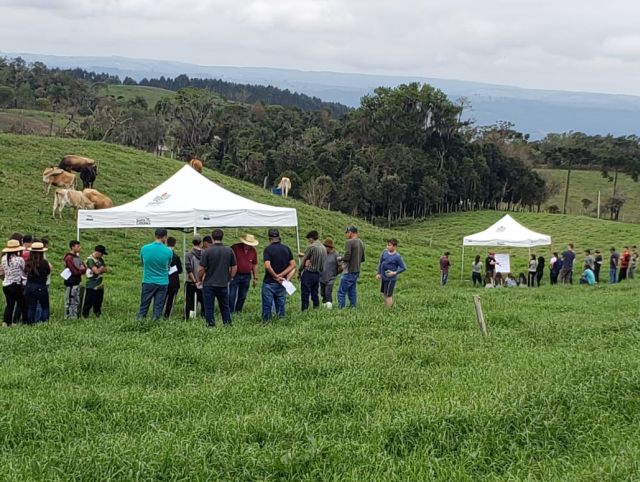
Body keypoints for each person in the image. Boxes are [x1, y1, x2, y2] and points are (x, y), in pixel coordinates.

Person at [198, 229, 236, 327]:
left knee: (209, 307)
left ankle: (211, 326)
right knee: (225, 306)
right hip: (223, 283)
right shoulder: (229, 250)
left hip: (209, 284)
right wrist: (230, 277)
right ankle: (227, 324)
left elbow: (201, 269)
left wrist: (199, 279)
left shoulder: (207, 251)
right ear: (222, 237)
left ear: (212, 237)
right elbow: (234, 267)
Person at [138, 229, 173, 321]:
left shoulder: (144, 248)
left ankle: (140, 322)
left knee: (144, 305)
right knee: (158, 306)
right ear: (165, 237)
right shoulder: (168, 251)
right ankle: (155, 324)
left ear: (155, 235)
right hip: (162, 282)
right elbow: (168, 265)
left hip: (148, 280)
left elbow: (142, 262)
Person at [262, 228, 296, 322]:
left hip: (269, 282)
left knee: (267, 305)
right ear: (278, 237)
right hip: (282, 282)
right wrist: (282, 275)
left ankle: (266, 322)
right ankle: (281, 322)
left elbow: (267, 266)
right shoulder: (286, 248)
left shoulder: (268, 249)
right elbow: (293, 265)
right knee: (281, 305)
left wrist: (276, 276)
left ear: (269, 238)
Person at [229, 234, 259, 314]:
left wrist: (255, 277)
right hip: (235, 275)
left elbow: (255, 264)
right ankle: (230, 311)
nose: (248, 246)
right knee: (231, 294)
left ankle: (238, 311)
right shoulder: (235, 248)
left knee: (243, 295)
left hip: (247, 276)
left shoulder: (253, 251)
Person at [337, 225, 365, 309]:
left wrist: (341, 258)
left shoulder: (349, 242)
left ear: (350, 233)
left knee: (341, 292)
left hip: (348, 270)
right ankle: (353, 306)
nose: (346, 235)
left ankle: (341, 308)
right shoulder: (361, 242)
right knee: (352, 290)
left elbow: (347, 256)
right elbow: (363, 258)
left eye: (347, 233)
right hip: (356, 270)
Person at [299, 230, 327, 311]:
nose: (308, 241)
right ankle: (316, 308)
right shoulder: (323, 248)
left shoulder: (311, 247)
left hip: (308, 273)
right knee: (315, 293)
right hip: (317, 273)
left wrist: (299, 270)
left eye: (309, 239)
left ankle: (304, 309)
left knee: (305, 292)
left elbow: (304, 260)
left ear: (311, 238)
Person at [2, 239, 27, 327]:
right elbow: (24, 270)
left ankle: (6, 322)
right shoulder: (19, 259)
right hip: (15, 284)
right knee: (22, 304)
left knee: (10, 304)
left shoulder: (4, 258)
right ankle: (19, 322)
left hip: (6, 284)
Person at [24, 242, 51, 323]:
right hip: (41, 286)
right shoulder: (44, 262)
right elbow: (48, 271)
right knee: (45, 306)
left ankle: (30, 323)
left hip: (29, 286)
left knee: (31, 307)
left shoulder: (28, 262)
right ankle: (44, 322)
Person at [376, 238, 406, 307]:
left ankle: (388, 309)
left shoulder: (397, 257)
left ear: (395, 247)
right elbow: (380, 263)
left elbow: (403, 267)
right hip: (383, 277)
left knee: (389, 295)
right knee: (384, 293)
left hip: (391, 279)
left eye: (389, 245)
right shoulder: (384, 252)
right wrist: (379, 273)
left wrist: (394, 272)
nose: (387, 246)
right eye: (387, 245)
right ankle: (386, 305)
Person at [82, 245, 108, 318]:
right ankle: (85, 315)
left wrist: (101, 269)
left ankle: (97, 314)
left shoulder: (100, 260)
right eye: (101, 253)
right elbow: (96, 271)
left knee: (98, 301)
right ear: (97, 252)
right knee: (89, 301)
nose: (102, 255)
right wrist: (101, 269)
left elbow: (106, 269)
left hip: (100, 284)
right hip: (91, 284)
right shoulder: (90, 260)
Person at [63, 240, 86, 319]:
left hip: (77, 281)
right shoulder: (69, 258)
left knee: (76, 300)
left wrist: (81, 269)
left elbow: (84, 268)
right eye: (77, 246)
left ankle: (74, 316)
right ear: (72, 247)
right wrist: (80, 269)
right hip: (70, 282)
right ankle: (68, 316)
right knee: (70, 300)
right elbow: (74, 271)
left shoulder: (77, 257)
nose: (79, 248)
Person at [184, 235, 205, 319]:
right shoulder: (205, 253)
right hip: (203, 282)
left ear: (192, 242)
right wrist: (200, 280)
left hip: (191, 282)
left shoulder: (188, 254)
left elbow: (189, 270)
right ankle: (204, 317)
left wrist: (195, 281)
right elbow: (206, 268)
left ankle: (190, 318)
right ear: (200, 243)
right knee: (204, 301)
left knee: (190, 303)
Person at [163, 237, 183, 318]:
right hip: (173, 282)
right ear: (175, 244)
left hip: (163, 280)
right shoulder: (176, 257)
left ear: (166, 243)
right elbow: (180, 270)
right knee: (171, 300)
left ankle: (158, 313)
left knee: (161, 299)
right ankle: (167, 315)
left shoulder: (163, 255)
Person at [320, 238, 341, 308]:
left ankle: (329, 306)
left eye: (325, 247)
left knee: (328, 292)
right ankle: (324, 304)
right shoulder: (322, 254)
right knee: (322, 293)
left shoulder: (336, 254)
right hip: (322, 277)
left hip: (331, 277)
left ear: (329, 247)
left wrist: (335, 273)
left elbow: (340, 267)